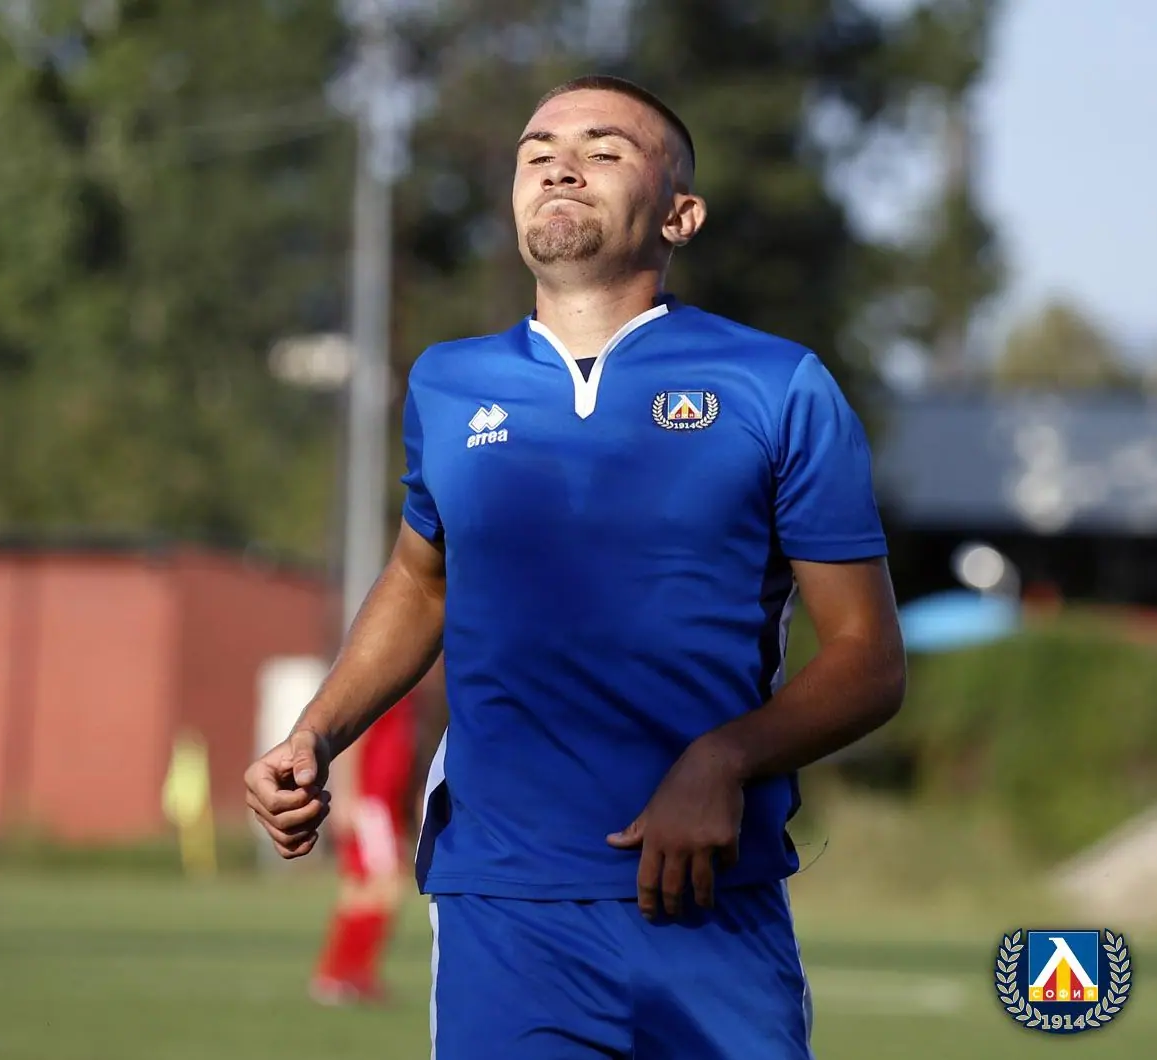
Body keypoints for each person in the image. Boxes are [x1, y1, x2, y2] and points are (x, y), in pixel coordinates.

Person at [246, 73, 907, 1059]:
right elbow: (421, 580)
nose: (561, 165)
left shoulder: (778, 385)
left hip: (708, 902)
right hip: (503, 906)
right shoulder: (446, 382)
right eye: (537, 153)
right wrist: (315, 733)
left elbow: (868, 660)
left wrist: (721, 759)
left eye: (604, 150)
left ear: (679, 215)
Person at [308, 686, 416, 1005]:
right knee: (383, 886)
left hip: (384, 804)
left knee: (368, 887)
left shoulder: (406, 687)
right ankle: (342, 974)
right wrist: (346, 793)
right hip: (371, 803)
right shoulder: (384, 682)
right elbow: (354, 739)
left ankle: (347, 974)